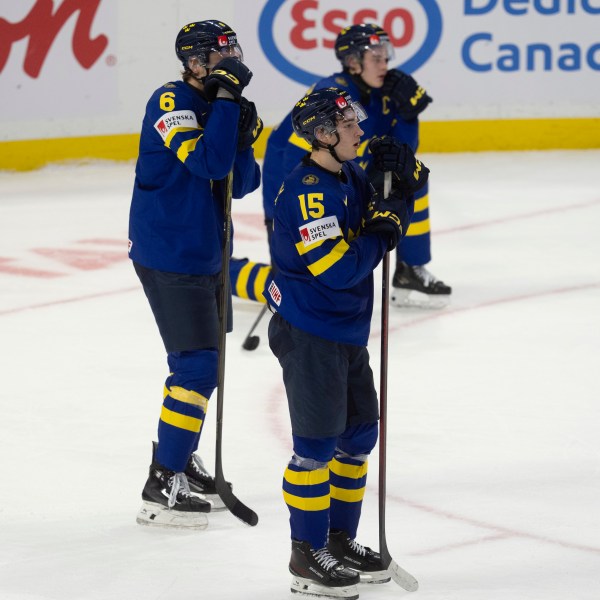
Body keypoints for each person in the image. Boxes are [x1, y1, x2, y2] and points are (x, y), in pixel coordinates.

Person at [264, 88, 428, 598]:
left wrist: (405, 184)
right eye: (349, 125)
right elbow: (337, 269)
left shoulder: (349, 173)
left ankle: (337, 540)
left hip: (346, 331)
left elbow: (397, 196)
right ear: (323, 135)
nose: (359, 130)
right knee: (314, 450)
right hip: (311, 332)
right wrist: (383, 232)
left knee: (357, 437)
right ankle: (305, 555)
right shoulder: (308, 191)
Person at [128, 19, 261, 528]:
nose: (231, 62)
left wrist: (243, 133)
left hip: (209, 253)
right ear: (195, 61)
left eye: (234, 52)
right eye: (221, 55)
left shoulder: (223, 101)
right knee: (196, 368)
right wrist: (227, 107)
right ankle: (162, 481)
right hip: (170, 253)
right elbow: (206, 164)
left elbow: (242, 182)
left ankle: (179, 459)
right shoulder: (170, 103)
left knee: (206, 367)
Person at [262, 23, 450, 309]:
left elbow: (403, 154)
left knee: (411, 184)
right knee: (301, 279)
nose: (385, 64)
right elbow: (296, 163)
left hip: (346, 176)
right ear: (352, 62)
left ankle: (410, 268)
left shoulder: (383, 92)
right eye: (376, 58)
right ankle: (232, 274)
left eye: (386, 56)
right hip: (299, 186)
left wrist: (409, 114)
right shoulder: (332, 95)